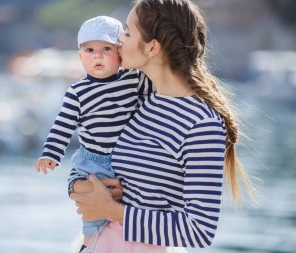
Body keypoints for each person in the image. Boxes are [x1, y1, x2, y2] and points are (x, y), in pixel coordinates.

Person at [69, 0, 254, 252]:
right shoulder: (141, 100)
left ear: (152, 48)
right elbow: (92, 154)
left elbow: (199, 230)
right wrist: (78, 186)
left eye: (127, 32)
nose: (119, 40)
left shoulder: (202, 124)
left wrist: (113, 211)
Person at [35, 16, 152, 248]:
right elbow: (63, 125)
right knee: (93, 217)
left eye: (106, 49)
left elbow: (156, 90)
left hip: (128, 158)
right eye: (89, 50)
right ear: (81, 57)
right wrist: (51, 154)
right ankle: (89, 246)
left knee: (125, 210)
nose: (97, 55)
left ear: (120, 53)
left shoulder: (134, 80)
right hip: (93, 161)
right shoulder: (77, 92)